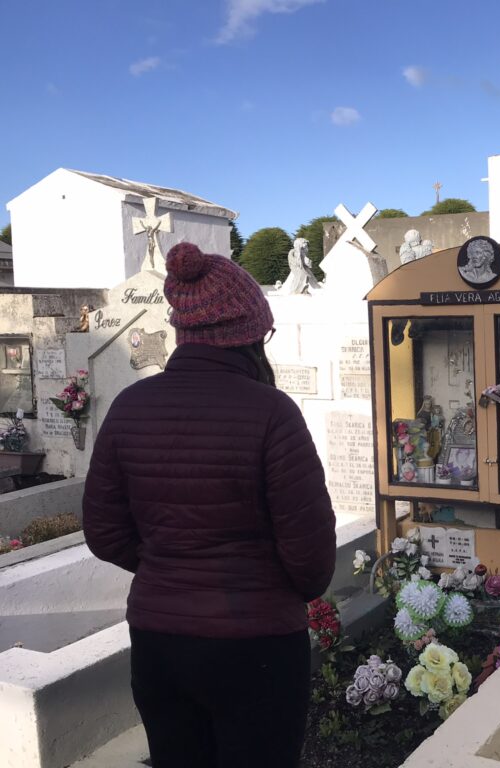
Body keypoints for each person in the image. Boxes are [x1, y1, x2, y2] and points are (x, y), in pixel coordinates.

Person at [83, 242, 337, 768]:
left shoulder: (130, 407)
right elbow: (311, 566)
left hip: (159, 640)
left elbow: (105, 533)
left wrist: (169, 563)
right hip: (257, 645)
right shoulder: (272, 413)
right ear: (247, 334)